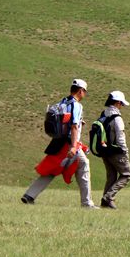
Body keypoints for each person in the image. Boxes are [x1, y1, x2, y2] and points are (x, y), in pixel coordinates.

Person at [21, 79, 98, 208]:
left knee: (53, 169)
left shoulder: (62, 102)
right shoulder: (77, 105)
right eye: (85, 91)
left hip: (58, 142)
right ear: (80, 91)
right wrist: (73, 147)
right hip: (69, 144)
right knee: (84, 165)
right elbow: (73, 126)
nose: (84, 94)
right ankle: (87, 203)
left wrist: (79, 123)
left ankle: (29, 195)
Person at [99, 90, 130, 210]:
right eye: (122, 104)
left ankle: (105, 202)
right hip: (117, 151)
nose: (122, 106)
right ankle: (108, 197)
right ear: (117, 103)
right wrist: (125, 151)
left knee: (112, 176)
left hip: (104, 151)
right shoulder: (117, 118)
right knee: (127, 174)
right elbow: (120, 137)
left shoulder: (103, 114)